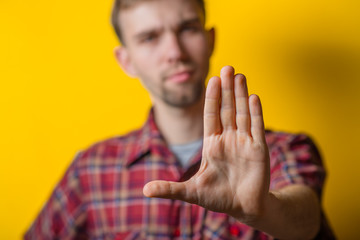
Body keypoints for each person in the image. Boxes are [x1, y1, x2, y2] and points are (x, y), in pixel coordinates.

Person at [24, 0, 335, 239]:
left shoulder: (282, 150)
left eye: (187, 28)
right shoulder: (90, 170)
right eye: (149, 37)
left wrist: (265, 209)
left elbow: (305, 220)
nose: (175, 51)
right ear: (126, 60)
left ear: (210, 39)